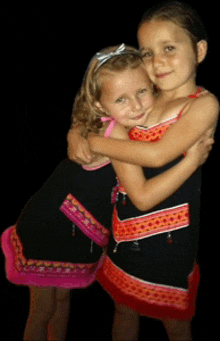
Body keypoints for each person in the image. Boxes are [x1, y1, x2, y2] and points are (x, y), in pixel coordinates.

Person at [2, 44, 212, 341]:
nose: (137, 106)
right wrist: (193, 157)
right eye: (122, 99)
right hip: (52, 227)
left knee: (60, 302)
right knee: (43, 308)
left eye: (142, 91)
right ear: (101, 106)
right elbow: (154, 155)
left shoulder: (119, 123)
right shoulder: (113, 133)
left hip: (76, 229)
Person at [68, 3, 219, 341]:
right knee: (124, 309)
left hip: (168, 237)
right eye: (148, 53)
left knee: (176, 322)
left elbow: (157, 154)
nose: (158, 61)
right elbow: (103, 111)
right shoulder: (145, 97)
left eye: (169, 48)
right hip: (125, 229)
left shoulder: (202, 104)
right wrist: (77, 133)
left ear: (199, 50)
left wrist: (93, 141)